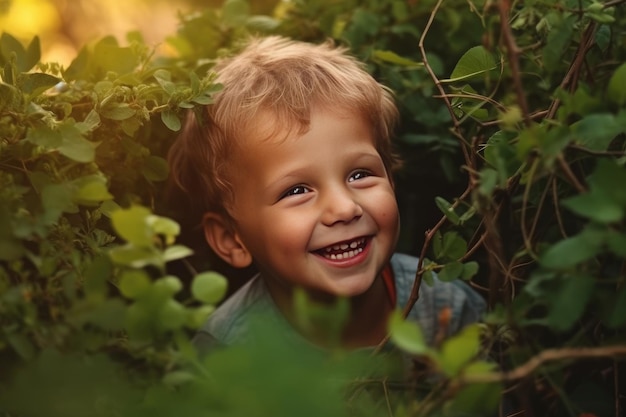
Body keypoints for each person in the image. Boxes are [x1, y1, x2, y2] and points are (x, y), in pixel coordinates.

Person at [167, 36, 485, 355]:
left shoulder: (447, 309)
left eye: (360, 175)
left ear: (391, 178)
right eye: (297, 190)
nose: (345, 208)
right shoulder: (224, 359)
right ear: (231, 239)